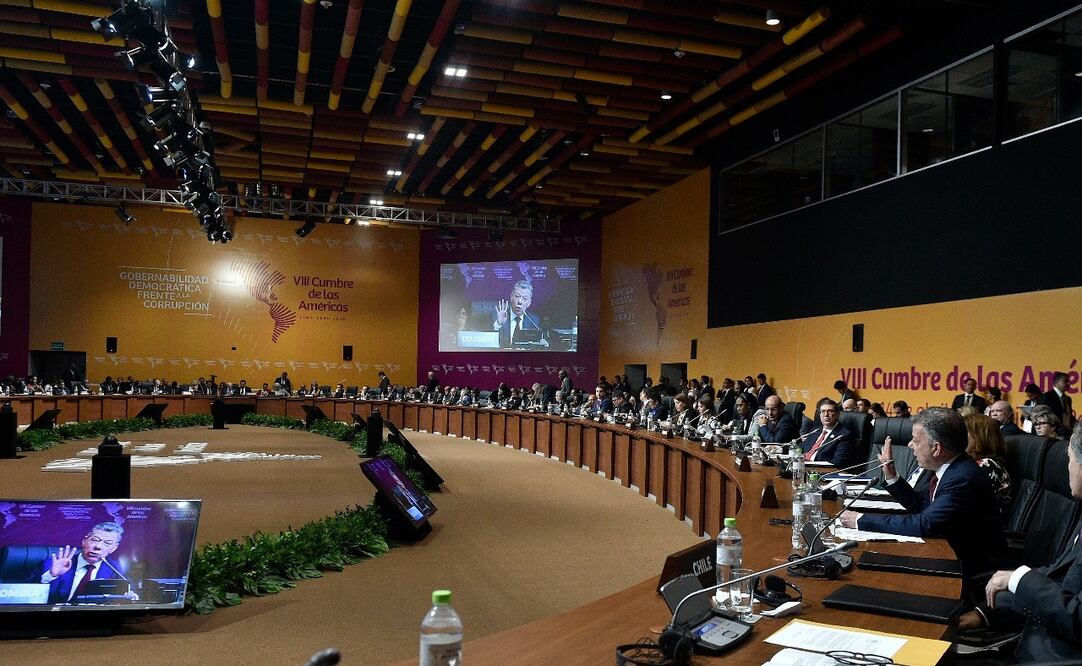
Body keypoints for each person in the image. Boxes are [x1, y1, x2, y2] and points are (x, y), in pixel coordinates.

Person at [955, 423, 1082, 661]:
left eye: (1070, 459)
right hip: (1031, 634)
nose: (1068, 467)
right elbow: (1058, 576)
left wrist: (1017, 579)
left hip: (1052, 654)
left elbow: (1078, 619)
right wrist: (985, 613)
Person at [840, 407, 1005, 587]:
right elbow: (922, 506)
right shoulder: (952, 468)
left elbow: (924, 524)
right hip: (941, 550)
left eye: (916, 440)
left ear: (936, 448)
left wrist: (860, 520)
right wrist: (891, 474)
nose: (910, 445)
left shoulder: (962, 478)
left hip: (965, 563)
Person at [38, 522, 132, 604]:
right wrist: (51, 575)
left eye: (107, 543)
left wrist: (130, 596)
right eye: (94, 540)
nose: (98, 547)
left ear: (114, 548)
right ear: (84, 541)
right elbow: (28, 593)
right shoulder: (52, 564)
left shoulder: (116, 570)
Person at [964, 413, 1012, 512]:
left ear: (979, 438)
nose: (959, 439)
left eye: (964, 433)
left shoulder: (987, 465)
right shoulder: (973, 462)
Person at [800, 399, 860, 468]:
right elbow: (800, 449)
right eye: (823, 411)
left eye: (830, 411)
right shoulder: (815, 431)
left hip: (820, 471)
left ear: (837, 414)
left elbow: (839, 462)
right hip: (802, 467)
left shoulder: (844, 435)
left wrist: (811, 462)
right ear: (820, 415)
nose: (826, 415)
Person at [493, 280, 544, 348]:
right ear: (511, 297)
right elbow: (487, 339)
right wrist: (498, 324)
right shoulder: (498, 316)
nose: (520, 301)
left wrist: (542, 342)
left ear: (529, 303)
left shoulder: (534, 320)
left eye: (524, 298)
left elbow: (536, 344)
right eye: (517, 296)